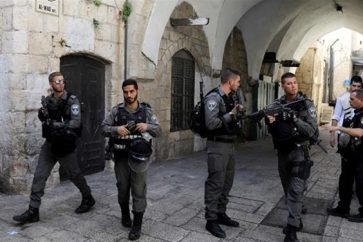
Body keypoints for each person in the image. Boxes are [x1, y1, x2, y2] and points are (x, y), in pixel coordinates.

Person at [13, 72, 95, 224]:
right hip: (50, 143)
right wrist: (42, 115)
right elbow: (45, 119)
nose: (61, 84)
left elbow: (76, 122)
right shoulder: (48, 100)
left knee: (74, 174)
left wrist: (57, 124)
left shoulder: (72, 100)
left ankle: (88, 197)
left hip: (65, 144)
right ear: (51, 83)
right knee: (39, 175)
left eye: (63, 81)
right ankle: (33, 210)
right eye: (57, 81)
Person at [101, 79, 161, 240]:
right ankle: (125, 214)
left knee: (139, 190)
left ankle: (137, 225)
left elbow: (159, 130)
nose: (129, 95)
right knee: (122, 188)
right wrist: (116, 129)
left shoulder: (146, 112)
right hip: (120, 157)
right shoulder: (116, 111)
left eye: (131, 91)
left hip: (140, 159)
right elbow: (103, 128)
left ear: (137, 91)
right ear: (123, 92)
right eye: (126, 92)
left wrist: (147, 127)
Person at [265, 72, 318, 242]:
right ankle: (296, 218)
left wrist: (295, 119)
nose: (293, 86)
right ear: (283, 86)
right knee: (288, 190)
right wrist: (270, 122)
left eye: (295, 82)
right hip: (283, 152)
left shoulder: (306, 104)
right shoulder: (276, 105)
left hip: (300, 152)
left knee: (295, 190)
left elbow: (311, 131)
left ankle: (292, 230)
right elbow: (272, 130)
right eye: (288, 83)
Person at [203, 68, 243, 238]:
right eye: (238, 82)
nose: (239, 85)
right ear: (231, 81)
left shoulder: (230, 97)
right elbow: (211, 124)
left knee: (227, 182)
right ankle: (211, 220)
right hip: (217, 146)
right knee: (215, 183)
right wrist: (230, 115)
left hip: (229, 145)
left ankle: (220, 213)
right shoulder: (213, 98)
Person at [327, 76, 362, 218]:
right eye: (354, 85)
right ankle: (343, 207)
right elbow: (336, 115)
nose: (350, 100)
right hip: (349, 150)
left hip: (360, 152)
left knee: (360, 182)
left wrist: (338, 129)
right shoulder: (346, 101)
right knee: (345, 179)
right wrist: (334, 134)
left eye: (359, 86)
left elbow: (360, 132)